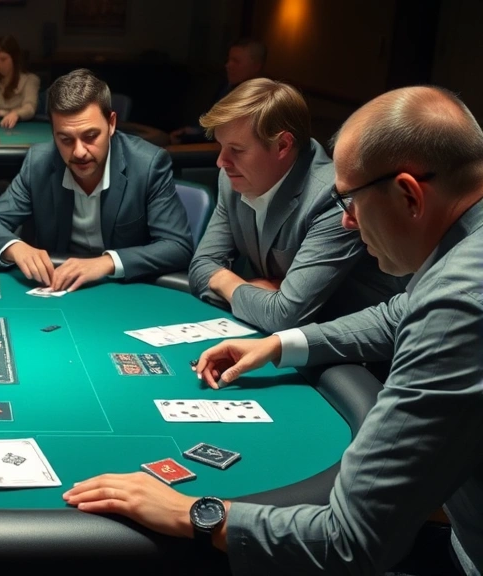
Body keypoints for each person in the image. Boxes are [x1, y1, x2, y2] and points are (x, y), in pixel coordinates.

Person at [65, 85, 483, 576]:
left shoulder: (457, 305)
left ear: (410, 194)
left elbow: (348, 542)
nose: (347, 222)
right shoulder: (461, 257)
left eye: (350, 201)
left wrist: (195, 512)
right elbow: (398, 312)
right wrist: (279, 343)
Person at [188, 78, 406, 334]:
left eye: (236, 149)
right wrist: (248, 290)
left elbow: (284, 317)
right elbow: (201, 267)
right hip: (281, 337)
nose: (221, 162)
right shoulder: (233, 178)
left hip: (351, 352)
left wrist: (227, 282)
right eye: (221, 147)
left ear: (282, 145)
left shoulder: (333, 197)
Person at [0, 69, 193, 292]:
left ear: (112, 123)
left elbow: (178, 246)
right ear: (53, 133)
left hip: (125, 291)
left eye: (90, 136)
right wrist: (16, 247)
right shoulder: (39, 163)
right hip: (58, 287)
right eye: (66, 139)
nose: (79, 152)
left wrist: (105, 262)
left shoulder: (148, 164)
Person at [167, 38, 267, 146]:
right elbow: (210, 120)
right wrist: (192, 130)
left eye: (236, 61)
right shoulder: (225, 86)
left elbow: (223, 134)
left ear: (256, 67)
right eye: (229, 60)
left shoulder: (258, 98)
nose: (228, 65)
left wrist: (188, 138)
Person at [0, 35, 40, 129]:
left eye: (3, 59)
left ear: (14, 58)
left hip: (20, 130)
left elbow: (30, 108)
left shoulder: (30, 80)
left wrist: (15, 114)